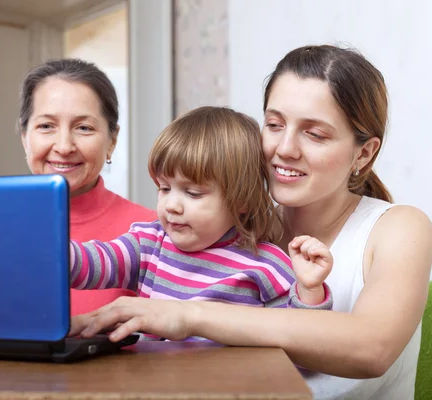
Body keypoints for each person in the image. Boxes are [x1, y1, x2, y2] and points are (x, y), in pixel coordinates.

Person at [69, 45, 432, 400]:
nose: (284, 148)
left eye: (315, 133)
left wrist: (188, 315)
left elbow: (371, 348)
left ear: (364, 152)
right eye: (274, 124)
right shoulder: (233, 234)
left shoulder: (399, 227)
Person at [69, 106, 334, 340]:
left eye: (193, 193)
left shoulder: (267, 266)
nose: (172, 205)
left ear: (241, 200)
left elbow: (300, 346)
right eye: (164, 188)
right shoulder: (148, 243)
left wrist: (309, 290)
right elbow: (92, 263)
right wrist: (51, 252)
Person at [17, 59, 156, 315]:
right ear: (25, 136)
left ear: (112, 141)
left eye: (84, 128)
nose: (64, 146)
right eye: (46, 126)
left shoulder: (155, 232)